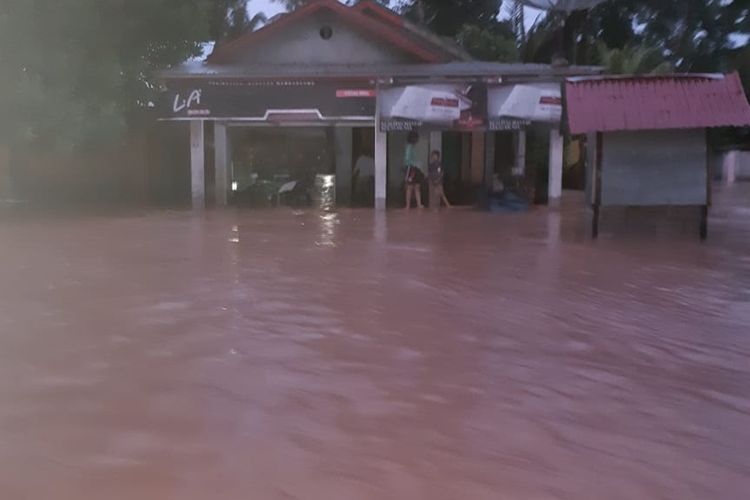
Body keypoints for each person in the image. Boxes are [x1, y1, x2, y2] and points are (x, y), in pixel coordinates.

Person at [404, 131, 424, 209]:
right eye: (416, 138)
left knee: (417, 186)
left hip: (415, 169)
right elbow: (407, 160)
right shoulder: (409, 147)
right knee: (410, 187)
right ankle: (408, 205)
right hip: (411, 168)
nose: (417, 140)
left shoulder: (412, 147)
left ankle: (419, 204)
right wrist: (416, 164)